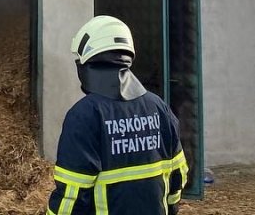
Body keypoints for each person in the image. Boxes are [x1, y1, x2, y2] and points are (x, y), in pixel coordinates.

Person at [46, 16, 188, 215]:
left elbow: (72, 195)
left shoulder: (85, 115)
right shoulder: (159, 107)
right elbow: (178, 175)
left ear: (87, 63)